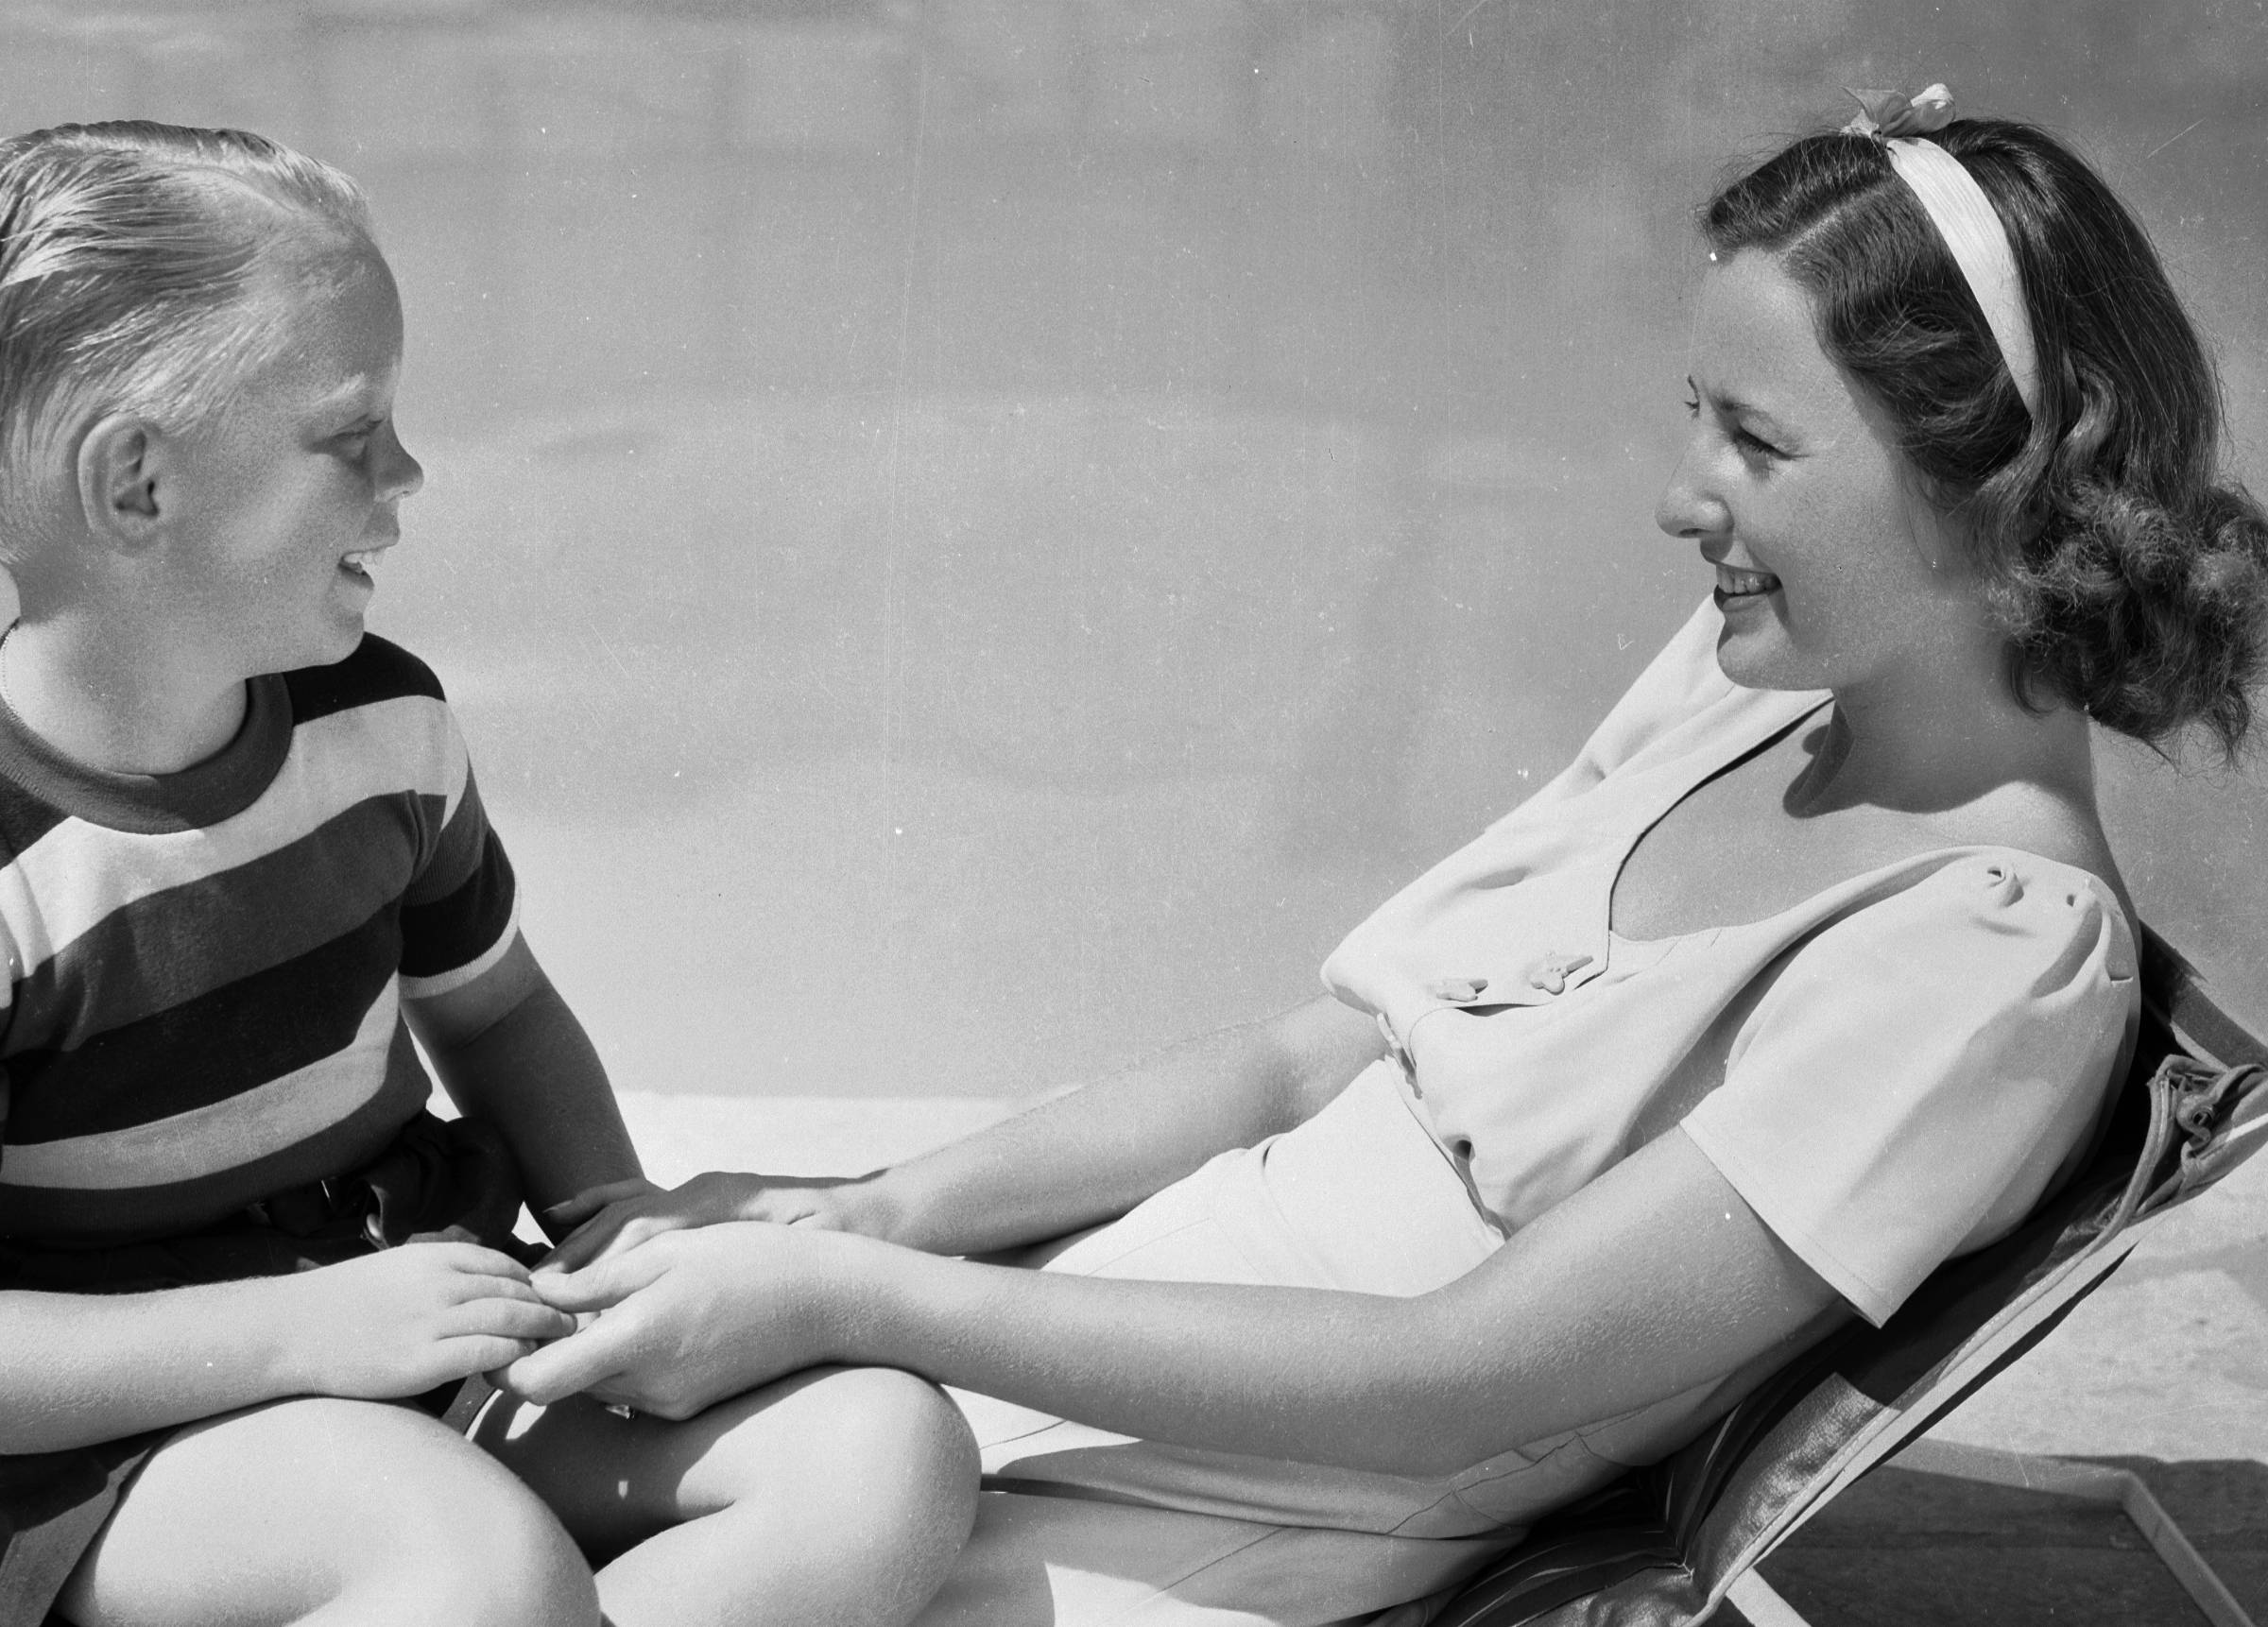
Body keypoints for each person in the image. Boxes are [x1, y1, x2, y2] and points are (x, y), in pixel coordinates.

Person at [505, 91, 2268, 1627]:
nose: (1682, 495)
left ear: (2001, 476)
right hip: (1094, 1316)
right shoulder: (1748, 693)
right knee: (465, 1430)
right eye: (1694, 413)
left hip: (1236, 1500)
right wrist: (860, 1216)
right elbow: (1308, 1057)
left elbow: (1449, 1383)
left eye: (1759, 440)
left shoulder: (1981, 963)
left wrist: (860, 1291)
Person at [0, 122, 977, 1627]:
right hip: (121, 1438)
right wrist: (292, 1332)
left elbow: (501, 1008)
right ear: (138, 484)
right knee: (473, 1566)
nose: (410, 470)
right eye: (352, 433)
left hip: (412, 1316)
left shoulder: (381, 725)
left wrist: (607, 1200)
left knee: (880, 1450)